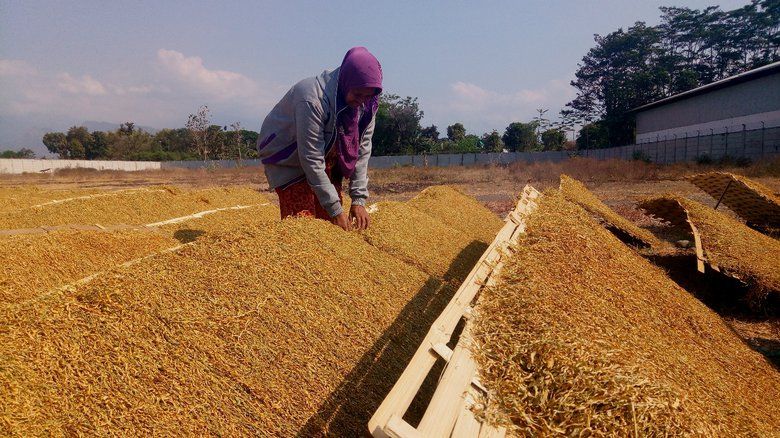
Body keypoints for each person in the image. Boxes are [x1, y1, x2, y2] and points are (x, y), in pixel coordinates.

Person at [257, 47, 382, 231]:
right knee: (304, 226)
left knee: (331, 226)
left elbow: (362, 151)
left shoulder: (367, 104)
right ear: (346, 82)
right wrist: (336, 210)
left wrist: (358, 199)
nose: (362, 101)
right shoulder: (312, 99)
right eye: (357, 94)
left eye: (367, 96)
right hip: (289, 157)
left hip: (325, 158)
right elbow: (311, 157)